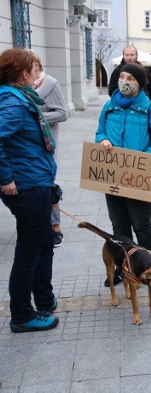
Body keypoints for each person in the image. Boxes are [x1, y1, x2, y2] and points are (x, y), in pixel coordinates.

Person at [0, 48, 59, 332]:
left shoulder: (19, 97)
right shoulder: (12, 101)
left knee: (44, 244)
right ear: (23, 74)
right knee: (28, 252)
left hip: (36, 182)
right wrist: (5, 178)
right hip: (27, 187)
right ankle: (22, 315)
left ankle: (44, 299)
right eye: (35, 69)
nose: (39, 73)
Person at [95, 62, 151, 286]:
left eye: (131, 79)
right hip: (113, 175)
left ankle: (150, 267)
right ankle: (123, 269)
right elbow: (100, 131)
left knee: (141, 226)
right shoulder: (109, 106)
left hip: (139, 176)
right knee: (119, 228)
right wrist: (102, 140)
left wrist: (142, 159)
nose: (125, 82)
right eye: (122, 77)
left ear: (139, 83)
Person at [32, 54, 69, 247]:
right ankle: (39, 225)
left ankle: (56, 228)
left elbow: (63, 113)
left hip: (46, 145)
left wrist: (38, 116)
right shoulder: (20, 87)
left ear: (36, 66)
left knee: (49, 185)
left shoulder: (50, 84)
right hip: (28, 146)